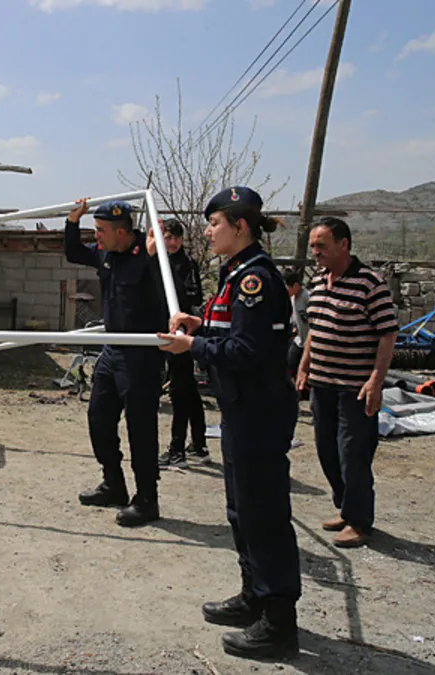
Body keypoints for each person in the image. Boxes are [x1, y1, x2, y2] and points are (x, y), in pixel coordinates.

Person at [156, 186, 300, 659]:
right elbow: (232, 333)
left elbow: (247, 351)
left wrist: (190, 347)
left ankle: (279, 623)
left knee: (265, 516)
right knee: (242, 511)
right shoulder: (236, 274)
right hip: (242, 410)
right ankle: (253, 596)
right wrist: (200, 326)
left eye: (215, 223)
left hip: (259, 412)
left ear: (240, 227)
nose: (208, 230)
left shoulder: (256, 279)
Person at [65, 199, 168, 528]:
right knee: (99, 417)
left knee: (140, 428)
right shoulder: (104, 253)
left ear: (122, 232)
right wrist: (71, 221)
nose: (96, 237)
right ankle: (114, 485)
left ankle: (147, 499)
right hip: (113, 350)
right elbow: (73, 252)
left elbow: (172, 289)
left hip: (141, 355)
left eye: (100, 231)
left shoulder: (149, 254)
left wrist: (157, 256)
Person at [298, 217, 398, 549]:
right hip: (322, 383)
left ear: (344, 245)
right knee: (327, 450)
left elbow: (387, 334)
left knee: (352, 453)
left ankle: (359, 521)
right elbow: (314, 327)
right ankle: (345, 507)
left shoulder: (370, 283)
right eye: (313, 246)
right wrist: (304, 366)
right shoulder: (318, 279)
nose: (316, 252)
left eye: (321, 245)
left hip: (355, 386)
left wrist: (376, 381)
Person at [159, 218, 208, 467]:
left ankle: (177, 450)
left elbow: (194, 295)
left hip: (180, 331)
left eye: (177, 237)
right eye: (169, 237)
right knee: (187, 388)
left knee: (180, 389)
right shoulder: (157, 261)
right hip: (162, 328)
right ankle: (198, 445)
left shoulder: (187, 265)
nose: (173, 242)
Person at [283, 270, 310, 382]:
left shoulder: (307, 297)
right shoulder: (292, 299)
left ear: (295, 285)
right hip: (299, 340)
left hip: (310, 342)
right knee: (290, 363)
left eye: (287, 288)